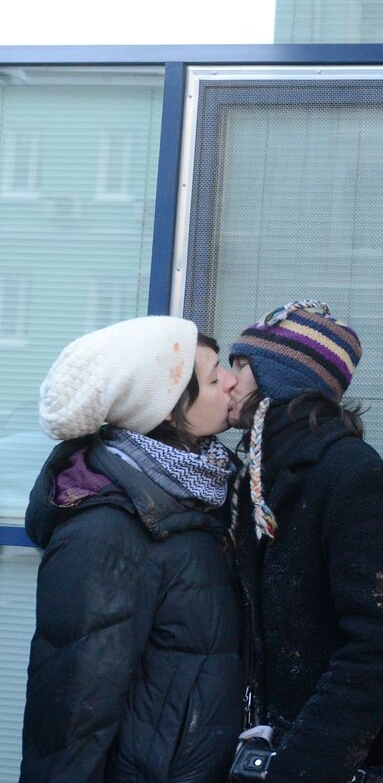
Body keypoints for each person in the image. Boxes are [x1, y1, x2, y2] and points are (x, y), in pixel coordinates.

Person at [22, 316, 242, 782]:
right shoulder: (105, 531)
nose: (230, 381)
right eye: (212, 376)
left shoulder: (203, 490)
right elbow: (73, 715)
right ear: (165, 409)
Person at [226, 300, 383, 782]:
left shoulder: (354, 478)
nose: (229, 382)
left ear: (277, 379)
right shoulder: (254, 473)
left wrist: (303, 768)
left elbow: (376, 648)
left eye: (241, 368)